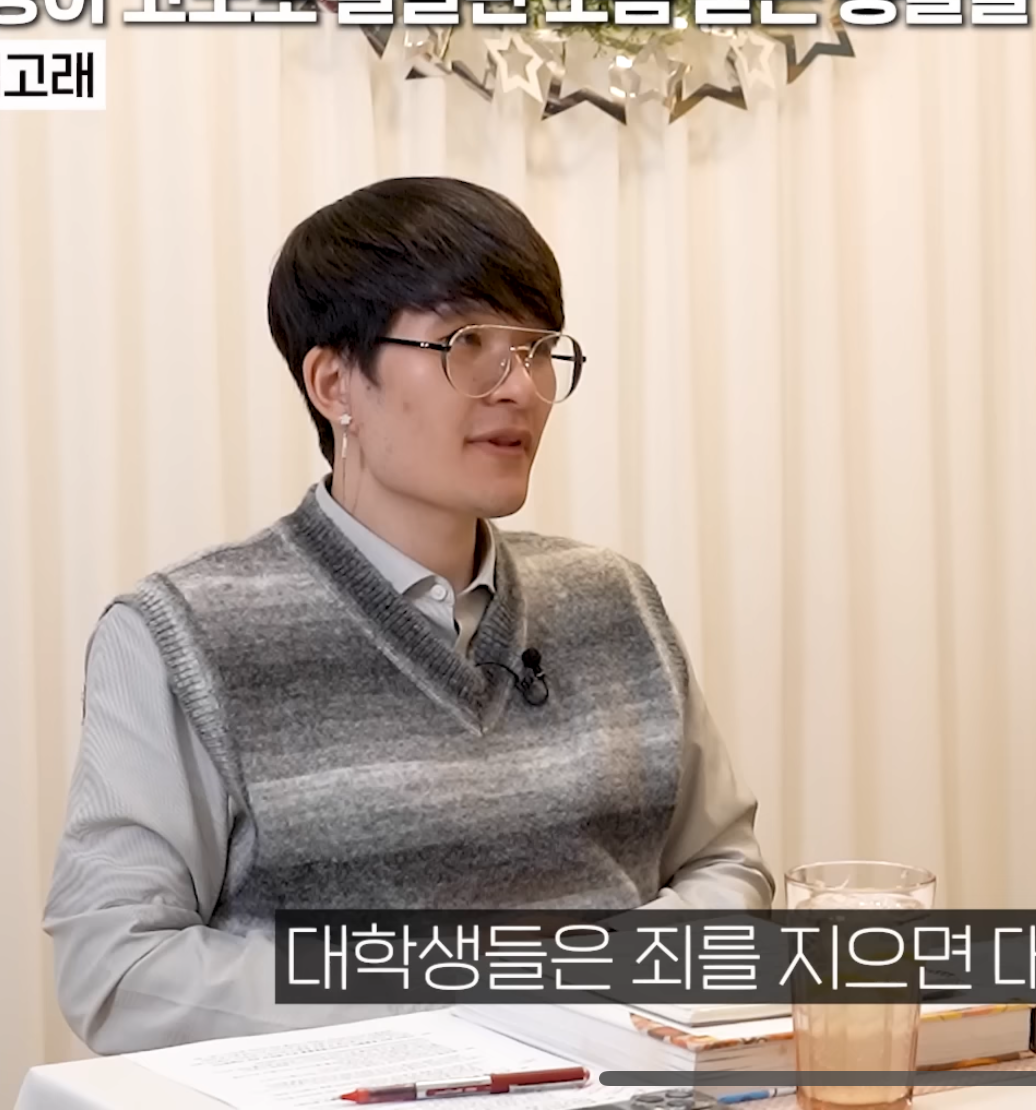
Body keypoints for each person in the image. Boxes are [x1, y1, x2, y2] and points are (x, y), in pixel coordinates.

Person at [42, 176, 773, 1053]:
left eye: (538, 348)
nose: (520, 387)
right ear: (334, 383)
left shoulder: (613, 597)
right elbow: (120, 968)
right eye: (468, 344)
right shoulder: (180, 633)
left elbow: (723, 862)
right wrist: (473, 996)